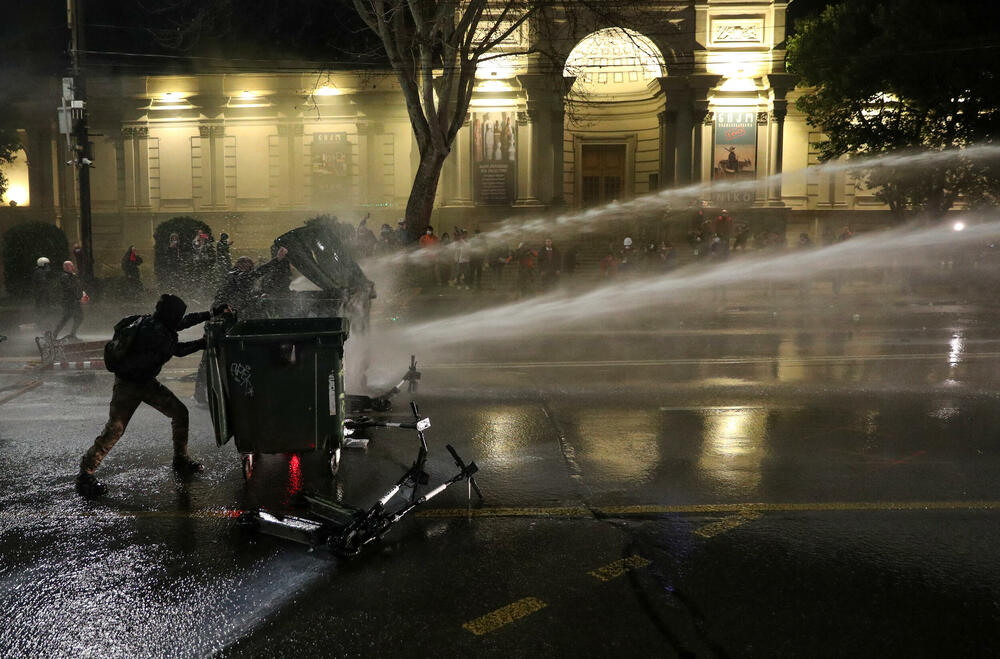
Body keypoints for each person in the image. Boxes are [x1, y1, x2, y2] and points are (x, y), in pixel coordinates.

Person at [75, 294, 224, 498]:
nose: (178, 319)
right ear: (170, 314)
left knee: (180, 413)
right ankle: (85, 475)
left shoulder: (150, 321)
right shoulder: (157, 333)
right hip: (129, 386)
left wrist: (210, 313)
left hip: (144, 382)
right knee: (115, 429)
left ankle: (180, 459)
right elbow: (178, 350)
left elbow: (181, 323)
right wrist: (202, 343)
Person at [54, 261, 85, 340]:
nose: (72, 267)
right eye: (70, 266)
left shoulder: (72, 275)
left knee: (79, 317)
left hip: (75, 301)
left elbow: (77, 287)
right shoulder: (65, 276)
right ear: (66, 267)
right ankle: (55, 334)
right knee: (67, 317)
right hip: (69, 301)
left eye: (71, 266)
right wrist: (78, 295)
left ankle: (72, 334)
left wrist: (82, 295)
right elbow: (70, 288)